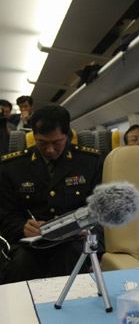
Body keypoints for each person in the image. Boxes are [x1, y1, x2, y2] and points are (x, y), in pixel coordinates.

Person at [0, 105, 103, 284]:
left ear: (68, 135)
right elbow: (6, 214)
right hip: (29, 243)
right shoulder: (12, 166)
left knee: (71, 258)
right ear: (33, 136)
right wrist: (21, 227)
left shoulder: (90, 162)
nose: (50, 150)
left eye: (56, 142)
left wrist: (86, 232)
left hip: (74, 241)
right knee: (20, 264)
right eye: (42, 143)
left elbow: (101, 211)